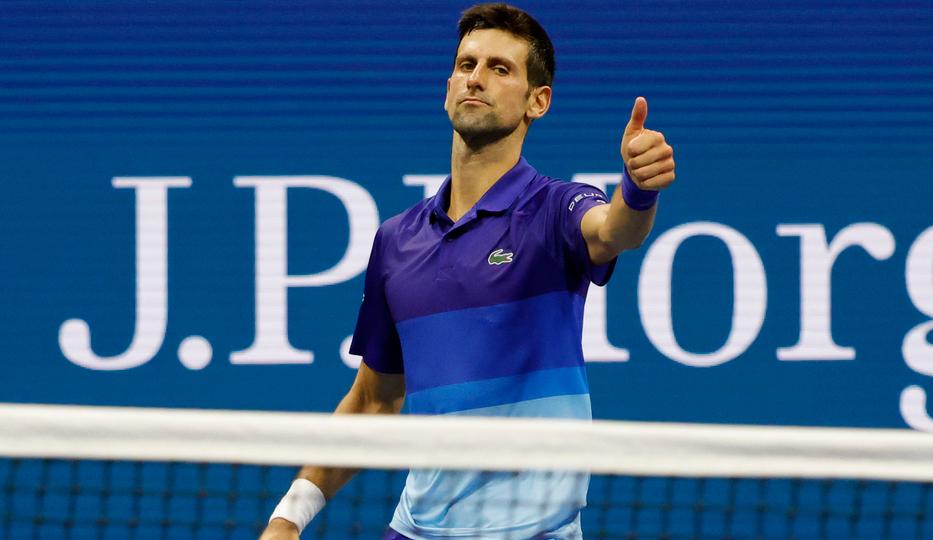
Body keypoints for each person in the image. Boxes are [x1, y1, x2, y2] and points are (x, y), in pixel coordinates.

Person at [260, 3, 675, 539]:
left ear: (537, 101)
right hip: (416, 531)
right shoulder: (396, 241)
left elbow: (614, 230)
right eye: (466, 64)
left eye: (500, 68)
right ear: (448, 84)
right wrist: (289, 517)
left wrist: (638, 190)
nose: (476, 78)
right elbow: (372, 401)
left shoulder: (557, 209)